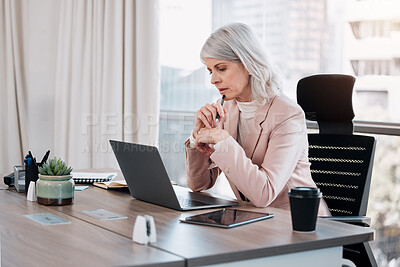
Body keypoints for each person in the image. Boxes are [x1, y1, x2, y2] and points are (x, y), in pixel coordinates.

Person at [184, 23, 330, 216]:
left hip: (297, 225)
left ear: (248, 63)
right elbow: (199, 184)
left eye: (221, 68)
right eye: (211, 71)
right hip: (253, 221)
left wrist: (223, 142)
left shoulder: (287, 115)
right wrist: (197, 138)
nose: (213, 80)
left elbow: (264, 193)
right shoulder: (227, 109)